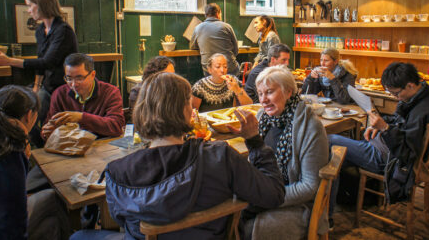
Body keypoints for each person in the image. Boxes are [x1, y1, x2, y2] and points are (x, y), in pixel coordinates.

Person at [70, 72, 285, 240]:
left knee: (79, 235)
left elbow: (120, 221)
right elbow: (274, 194)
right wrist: (255, 142)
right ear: (186, 111)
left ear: (140, 111)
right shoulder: (221, 157)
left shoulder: (118, 173)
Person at [328, 62, 429, 226]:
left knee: (331, 142)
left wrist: (384, 128)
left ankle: (327, 216)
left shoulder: (422, 111)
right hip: (385, 149)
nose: (396, 98)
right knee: (337, 156)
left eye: (396, 94)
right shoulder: (421, 98)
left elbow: (406, 153)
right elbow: (400, 124)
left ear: (410, 85)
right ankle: (342, 201)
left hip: (389, 160)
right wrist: (382, 125)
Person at [241, 65, 329, 239]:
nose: (263, 99)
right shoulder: (262, 118)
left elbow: (310, 187)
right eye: (260, 93)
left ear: (289, 92)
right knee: (227, 218)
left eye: (270, 92)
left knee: (246, 227)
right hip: (266, 194)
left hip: (298, 205)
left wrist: (267, 198)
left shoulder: (310, 127)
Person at [0, 0, 78, 147]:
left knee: (30, 113)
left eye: (30, 5)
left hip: (64, 86)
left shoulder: (63, 30)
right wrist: (36, 86)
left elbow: (48, 62)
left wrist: (9, 61)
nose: (29, 10)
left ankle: (39, 148)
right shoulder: (41, 30)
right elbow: (40, 60)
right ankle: (35, 147)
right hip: (46, 85)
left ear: (42, 3)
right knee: (19, 110)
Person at [0, 85, 69, 240]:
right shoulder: (9, 150)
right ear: (29, 115)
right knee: (54, 198)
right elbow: (12, 218)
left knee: (50, 224)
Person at [41, 53, 125, 140]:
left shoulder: (110, 92)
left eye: (79, 78)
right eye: (69, 78)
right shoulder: (59, 94)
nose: (73, 84)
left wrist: (81, 117)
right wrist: (47, 132)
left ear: (92, 75)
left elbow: (117, 126)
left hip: (102, 147)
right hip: (70, 147)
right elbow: (49, 126)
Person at [190, 3, 240, 76]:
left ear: (205, 15)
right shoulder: (226, 27)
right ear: (218, 14)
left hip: (209, 70)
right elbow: (236, 50)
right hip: (229, 68)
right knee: (236, 69)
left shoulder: (198, 28)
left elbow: (193, 47)